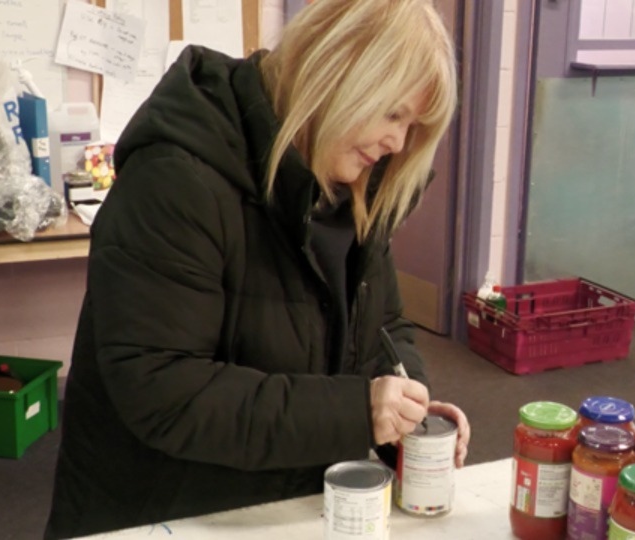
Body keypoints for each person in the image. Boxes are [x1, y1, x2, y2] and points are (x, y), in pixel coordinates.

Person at [44, 1, 470, 538]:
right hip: (163, 513)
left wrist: (406, 405)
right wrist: (357, 411)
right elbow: (164, 390)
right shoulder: (176, 180)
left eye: (412, 125)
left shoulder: (353, 191)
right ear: (335, 74)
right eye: (393, 114)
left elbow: (387, 330)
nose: (399, 144)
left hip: (286, 506)